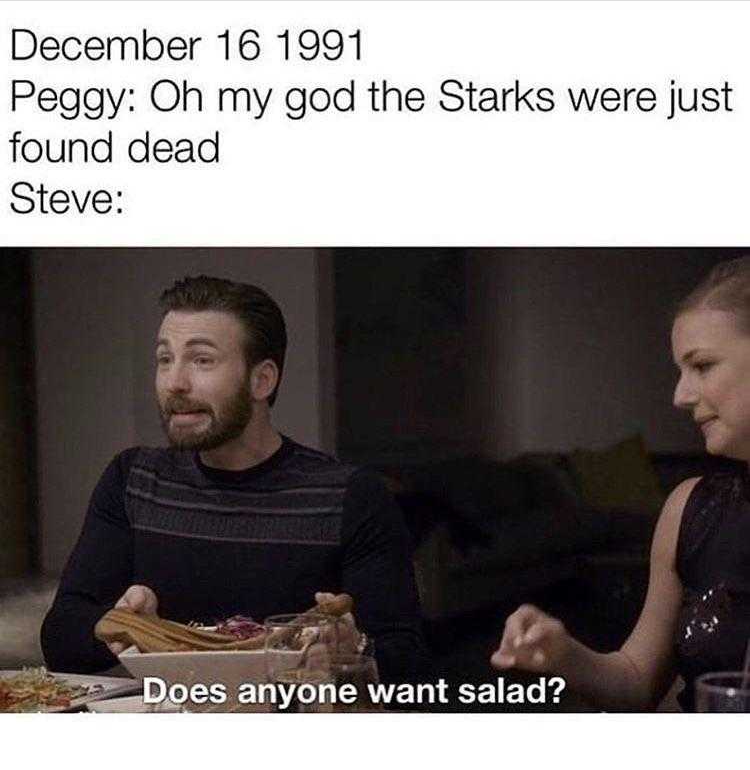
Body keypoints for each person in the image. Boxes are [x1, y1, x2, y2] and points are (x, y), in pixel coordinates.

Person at [41, 275, 428, 685]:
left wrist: (354, 652)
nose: (175, 382)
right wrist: (126, 626)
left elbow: (412, 668)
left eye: (201, 360)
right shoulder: (132, 479)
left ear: (262, 380)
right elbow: (61, 636)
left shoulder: (350, 495)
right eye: (164, 358)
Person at [491, 257, 750, 711]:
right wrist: (563, 655)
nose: (680, 395)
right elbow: (635, 681)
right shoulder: (690, 509)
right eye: (680, 371)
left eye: (703, 365)